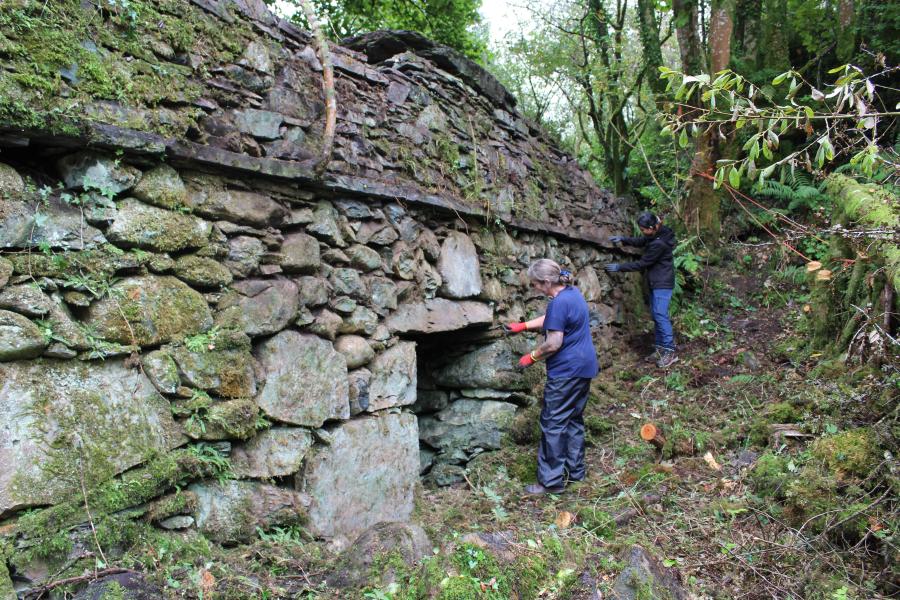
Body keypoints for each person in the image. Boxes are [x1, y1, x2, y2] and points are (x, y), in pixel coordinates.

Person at [505, 259, 599, 496]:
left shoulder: (558, 302)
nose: (535, 288)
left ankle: (550, 482)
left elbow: (554, 343)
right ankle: (576, 474)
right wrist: (523, 326)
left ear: (546, 282)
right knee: (573, 420)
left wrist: (532, 357)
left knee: (553, 423)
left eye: (536, 284)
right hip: (584, 367)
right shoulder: (573, 293)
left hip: (566, 372)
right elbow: (553, 321)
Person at [604, 212, 677, 368]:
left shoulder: (659, 244)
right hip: (655, 281)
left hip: (662, 283)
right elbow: (643, 240)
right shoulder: (659, 234)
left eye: (644, 229)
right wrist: (624, 239)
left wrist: (620, 267)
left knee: (660, 315)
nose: (643, 232)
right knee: (656, 316)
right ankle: (660, 349)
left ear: (653, 227)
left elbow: (642, 264)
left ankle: (669, 351)